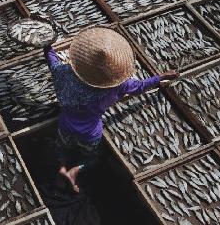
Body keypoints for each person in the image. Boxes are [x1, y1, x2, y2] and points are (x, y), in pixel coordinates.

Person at [44, 27, 178, 193]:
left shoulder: (65, 74)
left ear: (83, 64)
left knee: (63, 147)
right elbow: (139, 87)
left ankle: (62, 168)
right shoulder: (119, 86)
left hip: (65, 125)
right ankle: (75, 171)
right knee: (91, 157)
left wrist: (47, 46)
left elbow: (52, 62)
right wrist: (161, 77)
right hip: (90, 134)